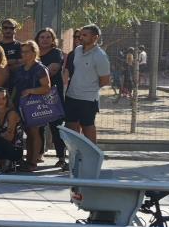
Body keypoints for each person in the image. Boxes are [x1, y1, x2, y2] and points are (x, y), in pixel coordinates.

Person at [64, 24, 111, 143]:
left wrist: (88, 87)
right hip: (71, 96)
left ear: (95, 38)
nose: (80, 38)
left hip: (88, 100)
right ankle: (75, 158)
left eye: (84, 35)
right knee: (71, 130)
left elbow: (105, 80)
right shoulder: (77, 50)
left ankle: (92, 158)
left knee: (88, 128)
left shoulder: (100, 56)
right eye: (80, 35)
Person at [13, 40, 51, 171]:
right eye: (22, 52)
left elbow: (47, 88)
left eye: (26, 52)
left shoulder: (40, 68)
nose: (23, 54)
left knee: (34, 133)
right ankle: (27, 160)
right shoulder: (20, 69)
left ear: (34, 52)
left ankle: (33, 162)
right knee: (27, 133)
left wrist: (30, 91)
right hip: (21, 105)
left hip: (35, 106)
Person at [35, 27, 67, 170]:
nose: (45, 39)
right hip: (36, 94)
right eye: (42, 37)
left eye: (48, 37)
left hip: (53, 95)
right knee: (38, 126)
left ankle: (61, 158)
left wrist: (32, 74)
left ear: (53, 40)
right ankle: (39, 154)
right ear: (37, 39)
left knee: (56, 127)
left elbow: (52, 70)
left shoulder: (56, 53)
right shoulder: (34, 52)